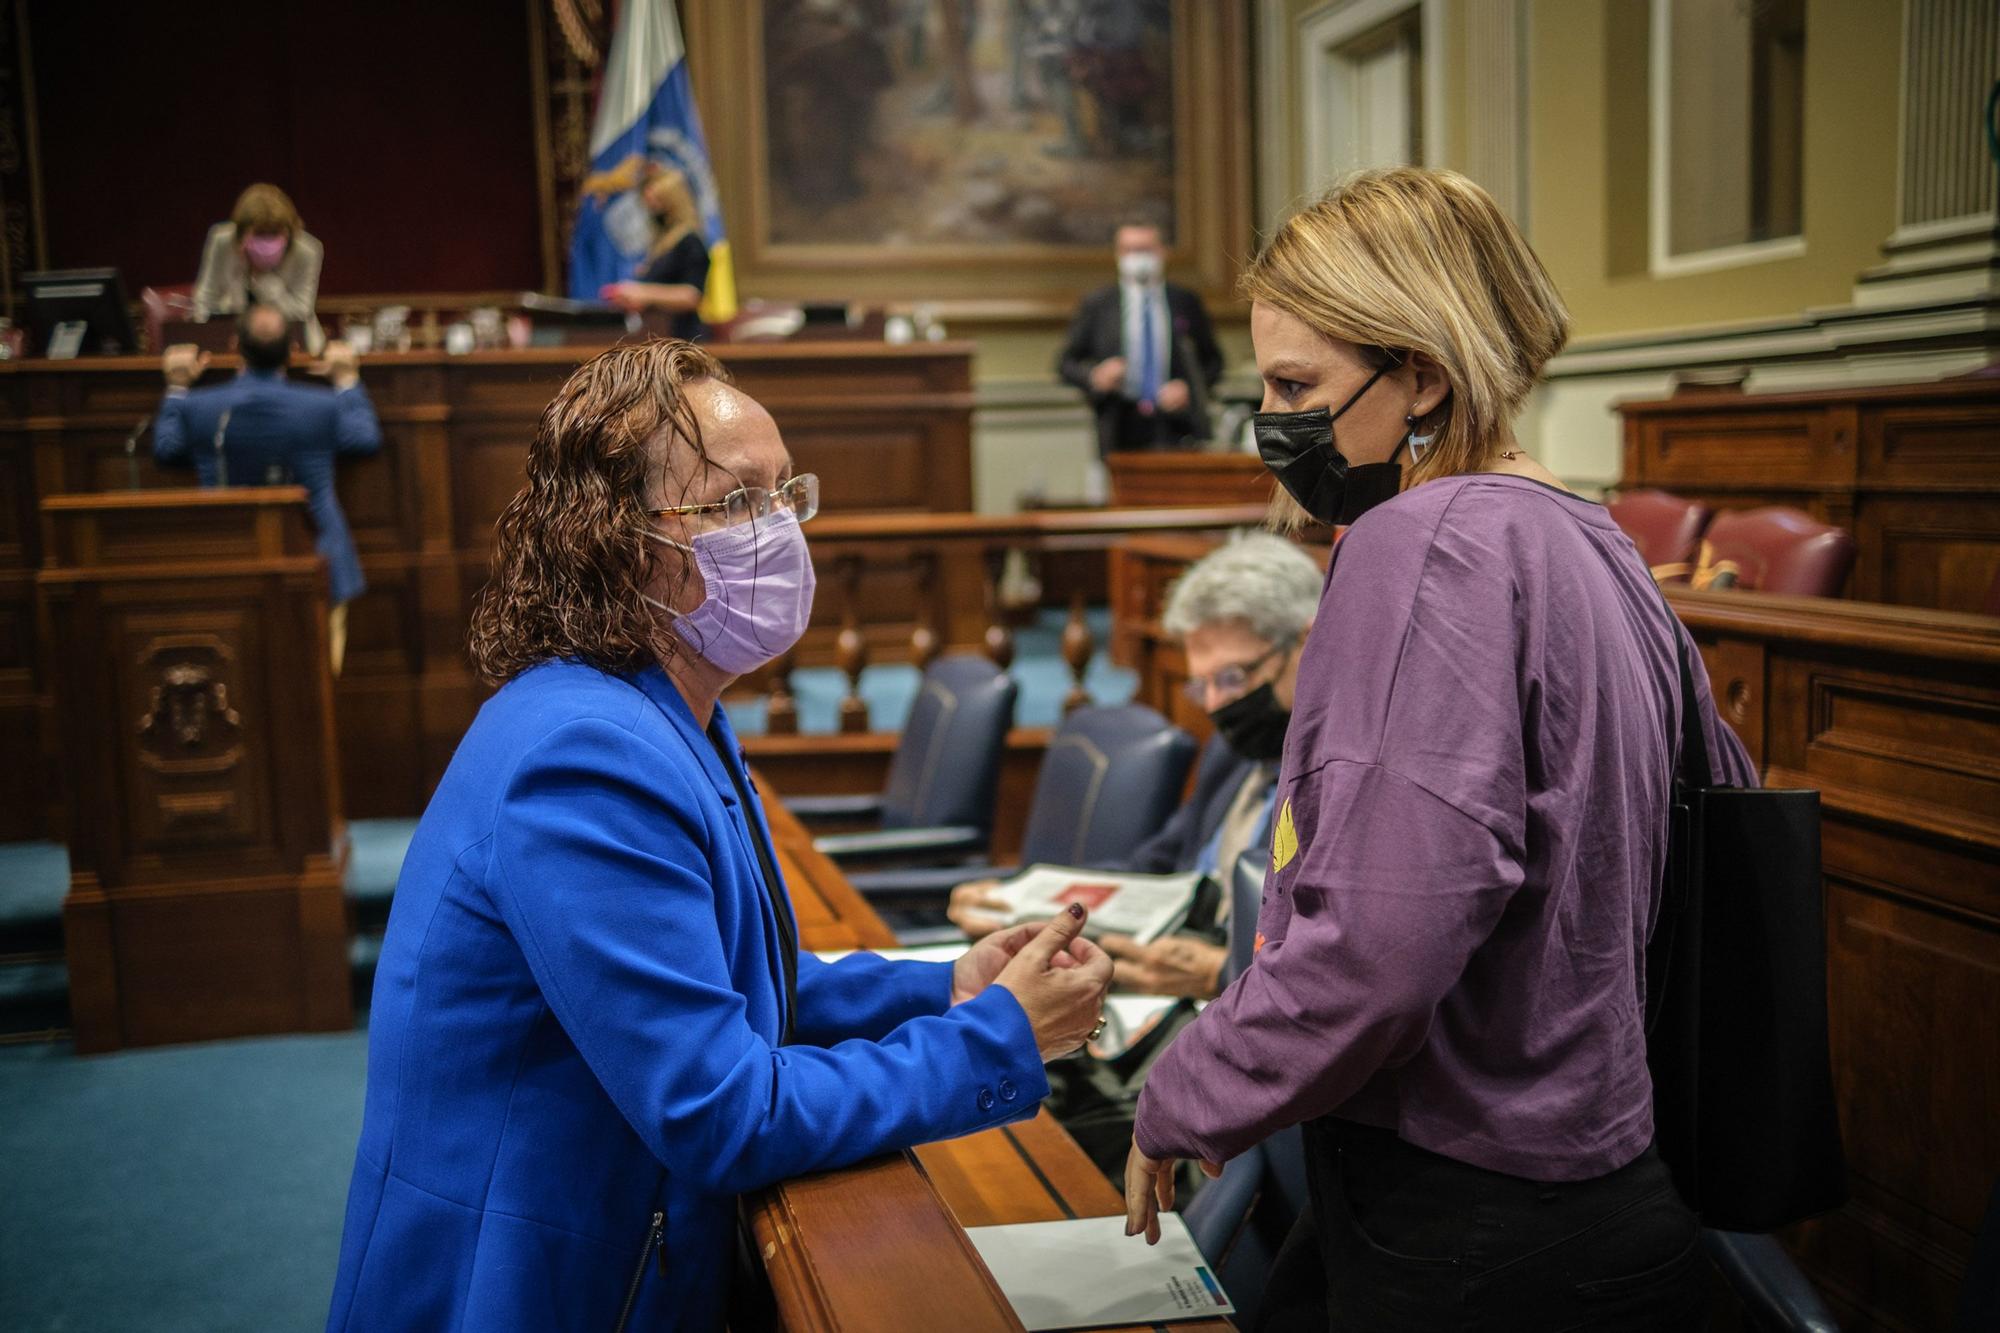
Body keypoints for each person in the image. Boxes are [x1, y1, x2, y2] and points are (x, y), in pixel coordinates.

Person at [325, 338, 1114, 1333]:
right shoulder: (582, 758)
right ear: (613, 537)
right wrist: (995, 1036)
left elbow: (724, 982)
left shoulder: (661, 706)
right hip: (528, 1284)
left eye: (786, 494)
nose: (779, 529)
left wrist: (946, 986)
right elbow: (721, 1112)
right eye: (736, 503)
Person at [1121, 167, 1760, 1331]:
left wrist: (1188, 1090)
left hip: (1464, 1214)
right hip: (1607, 1182)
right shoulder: (1597, 542)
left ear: (1419, 369)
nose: (1274, 421)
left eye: (1296, 383)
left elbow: (1381, 932)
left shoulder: (1417, 541)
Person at [946, 531, 1322, 1177]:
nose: (1214, 705)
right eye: (1201, 683)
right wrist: (1023, 896)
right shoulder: (1236, 746)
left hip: (1233, 1027)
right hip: (1144, 996)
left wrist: (1214, 970)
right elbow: (1162, 862)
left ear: (1309, 643)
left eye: (1232, 676)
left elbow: (1326, 961)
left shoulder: (1336, 772)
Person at [154, 304, 380, 676]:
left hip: (229, 556)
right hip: (316, 555)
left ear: (234, 346)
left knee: (242, 677)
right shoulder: (320, 407)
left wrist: (177, 388)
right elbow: (365, 437)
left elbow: (166, 448)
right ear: (292, 349)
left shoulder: (199, 408)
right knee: (316, 677)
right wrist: (347, 380)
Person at [1057, 222, 1223, 456]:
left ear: (1162, 251)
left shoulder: (1185, 301)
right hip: (1119, 425)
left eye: (1145, 249)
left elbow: (1213, 362)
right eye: (1130, 250)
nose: (1137, 257)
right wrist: (1095, 375)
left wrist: (1189, 388)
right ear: (1118, 254)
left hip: (1175, 426)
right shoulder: (1098, 304)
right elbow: (1066, 363)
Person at [192, 182, 324, 351]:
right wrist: (208, 340)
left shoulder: (307, 251)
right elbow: (205, 300)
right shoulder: (222, 242)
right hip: (234, 341)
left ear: (289, 233)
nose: (267, 242)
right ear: (241, 233)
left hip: (291, 343)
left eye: (275, 233)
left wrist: (261, 278)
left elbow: (301, 312)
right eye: (260, 234)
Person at [598, 167, 712, 341]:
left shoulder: (690, 242)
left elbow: (691, 295)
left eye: (657, 204)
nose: (652, 212)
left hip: (683, 339)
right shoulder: (661, 244)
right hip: (657, 333)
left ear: (673, 202)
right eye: (648, 204)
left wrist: (643, 292)